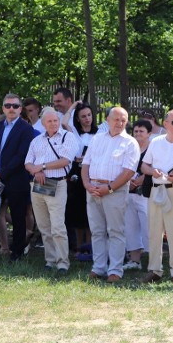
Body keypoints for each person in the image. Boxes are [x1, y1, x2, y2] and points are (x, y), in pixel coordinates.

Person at [81, 107, 140, 283]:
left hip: (115, 191)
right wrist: (87, 184)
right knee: (97, 231)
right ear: (107, 119)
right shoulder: (97, 139)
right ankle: (98, 268)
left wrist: (110, 188)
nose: (120, 123)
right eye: (116, 119)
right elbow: (85, 164)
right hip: (93, 188)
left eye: (123, 120)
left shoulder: (130, 143)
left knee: (115, 231)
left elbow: (129, 172)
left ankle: (115, 270)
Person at [140, 111, 173, 284]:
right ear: (165, 124)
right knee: (154, 231)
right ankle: (154, 270)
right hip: (157, 189)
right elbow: (144, 166)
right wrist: (152, 171)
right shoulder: (155, 142)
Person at [23, 108, 78, 275]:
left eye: (55, 120)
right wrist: (36, 171)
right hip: (37, 185)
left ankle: (63, 263)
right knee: (44, 226)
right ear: (43, 123)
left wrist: (43, 167)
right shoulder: (37, 140)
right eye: (50, 121)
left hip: (56, 183)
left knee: (57, 226)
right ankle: (50, 260)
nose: (53, 124)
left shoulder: (67, 137)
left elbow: (65, 160)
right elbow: (27, 163)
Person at [0, 94, 37, 263]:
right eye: (8, 106)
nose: (11, 109)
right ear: (3, 108)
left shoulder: (26, 129)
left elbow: (21, 157)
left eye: (15, 106)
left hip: (16, 179)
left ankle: (17, 254)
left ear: (20, 109)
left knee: (18, 217)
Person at [68, 103, 97, 261]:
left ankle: (91, 247)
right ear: (78, 119)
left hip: (93, 173)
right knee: (78, 211)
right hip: (78, 174)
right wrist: (73, 106)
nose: (87, 119)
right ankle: (79, 248)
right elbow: (65, 122)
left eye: (89, 115)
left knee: (91, 213)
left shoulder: (99, 133)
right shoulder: (75, 134)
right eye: (83, 116)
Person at [123, 120, 153, 272]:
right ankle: (134, 260)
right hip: (129, 192)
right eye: (136, 131)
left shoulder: (153, 149)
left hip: (146, 193)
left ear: (149, 133)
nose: (138, 134)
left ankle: (153, 262)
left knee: (148, 227)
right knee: (130, 227)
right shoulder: (130, 148)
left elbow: (155, 168)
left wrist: (140, 180)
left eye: (141, 131)